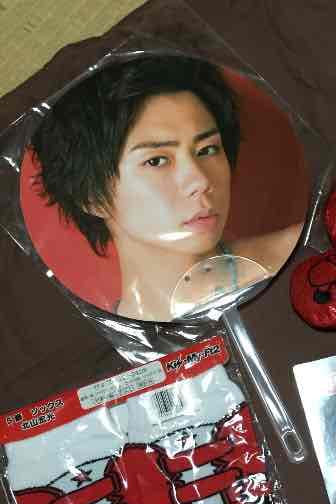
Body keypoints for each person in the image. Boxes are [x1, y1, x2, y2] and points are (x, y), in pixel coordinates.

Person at [30, 55, 302, 321]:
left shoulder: (305, 250)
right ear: (90, 196)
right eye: (157, 161)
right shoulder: (100, 340)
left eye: (207, 149)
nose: (200, 181)